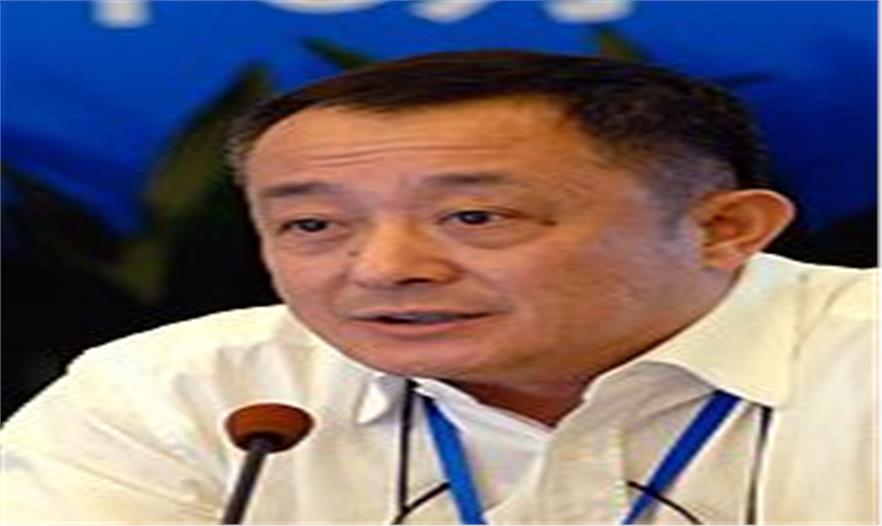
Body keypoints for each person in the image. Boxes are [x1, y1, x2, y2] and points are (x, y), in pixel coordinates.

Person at [1, 50, 875, 524]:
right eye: (314, 226)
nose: (384, 268)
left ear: (725, 229)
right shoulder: (176, 396)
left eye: (476, 217)